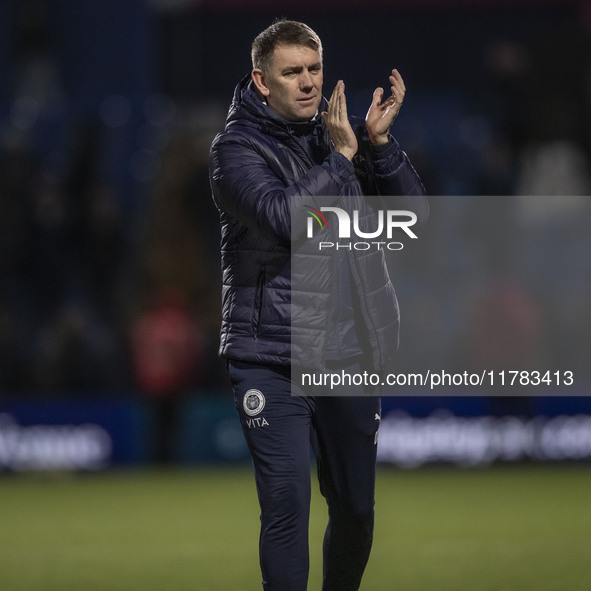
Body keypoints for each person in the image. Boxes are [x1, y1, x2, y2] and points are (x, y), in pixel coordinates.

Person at [209, 19, 428, 591]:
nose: (308, 83)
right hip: (271, 355)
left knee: (356, 509)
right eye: (292, 72)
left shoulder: (343, 141)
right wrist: (341, 160)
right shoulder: (235, 151)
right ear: (261, 80)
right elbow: (285, 221)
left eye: (314, 69)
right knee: (287, 506)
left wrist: (380, 148)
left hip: (348, 353)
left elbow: (416, 225)